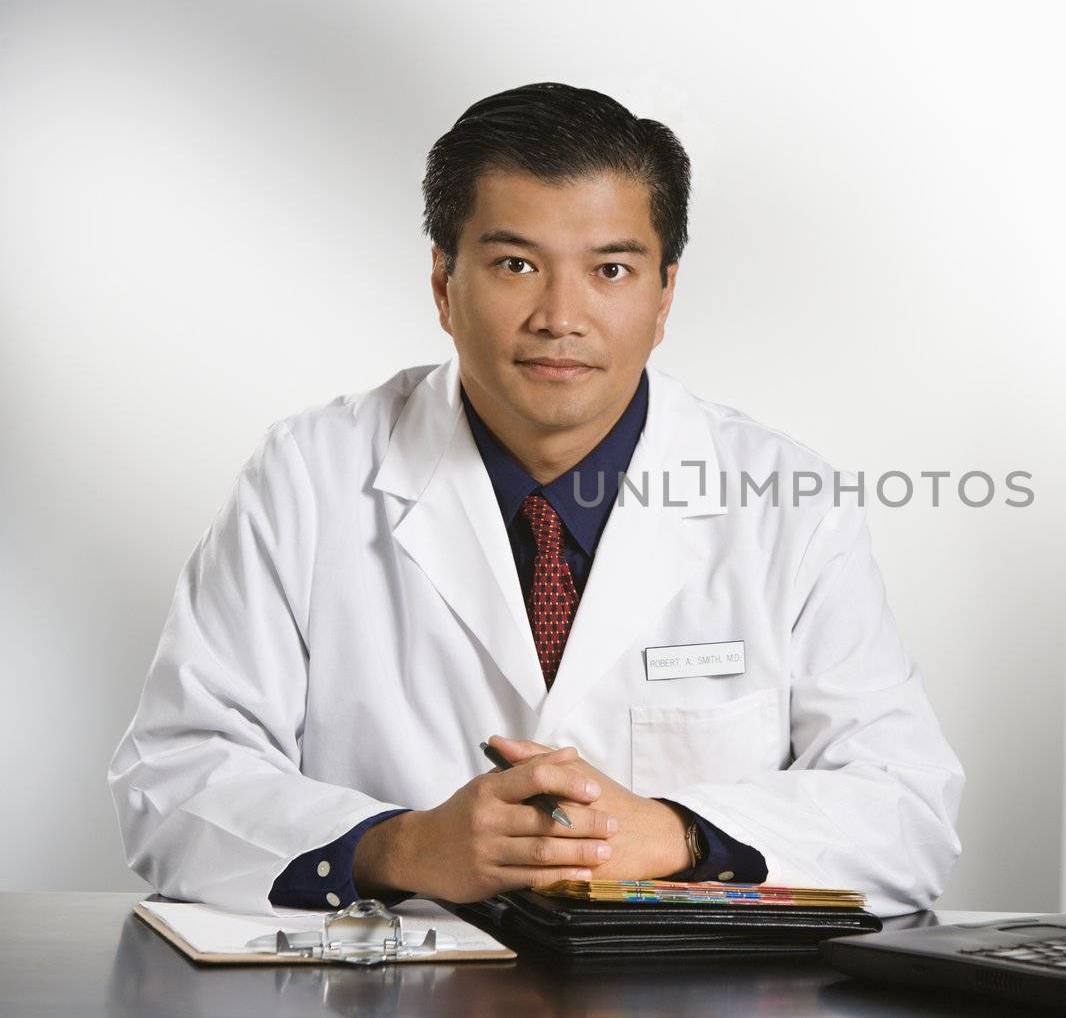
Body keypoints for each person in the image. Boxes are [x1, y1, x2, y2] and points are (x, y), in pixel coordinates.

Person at [108, 82, 963, 917]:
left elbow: (906, 810)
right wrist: (403, 846)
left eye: (611, 269)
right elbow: (175, 778)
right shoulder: (308, 478)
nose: (561, 316)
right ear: (444, 284)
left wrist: (677, 837)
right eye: (516, 264)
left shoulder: (786, 503)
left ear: (665, 294)